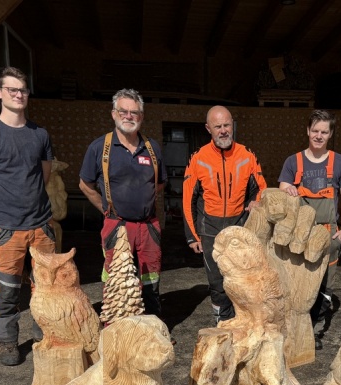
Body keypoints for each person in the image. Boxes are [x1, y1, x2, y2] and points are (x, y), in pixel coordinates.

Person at [0, 66, 55, 366]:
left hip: (41, 226)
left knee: (46, 286)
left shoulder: (40, 135)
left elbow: (43, 176)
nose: (19, 95)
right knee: (7, 290)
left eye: (23, 90)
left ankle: (45, 336)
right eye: (12, 89)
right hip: (6, 229)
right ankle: (7, 343)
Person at [79, 89, 166, 317]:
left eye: (134, 112)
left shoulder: (152, 148)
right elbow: (85, 185)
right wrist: (106, 208)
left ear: (141, 116)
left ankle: (151, 325)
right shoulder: (100, 148)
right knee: (116, 279)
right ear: (114, 114)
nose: (129, 116)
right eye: (123, 111)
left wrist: (141, 201)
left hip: (148, 226)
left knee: (150, 279)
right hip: (116, 225)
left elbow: (159, 184)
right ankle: (115, 328)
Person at [182, 106, 267, 323]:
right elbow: (188, 198)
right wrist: (192, 236)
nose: (223, 130)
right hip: (209, 228)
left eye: (226, 125)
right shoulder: (198, 158)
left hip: (239, 226)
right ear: (208, 128)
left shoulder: (247, 155)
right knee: (217, 281)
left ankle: (243, 321)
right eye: (217, 126)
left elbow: (261, 188)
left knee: (243, 277)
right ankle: (222, 322)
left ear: (232, 125)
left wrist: (255, 201)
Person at [279, 109, 341, 349]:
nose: (319, 136)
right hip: (300, 234)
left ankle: (314, 330)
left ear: (330, 134)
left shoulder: (339, 162)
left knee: (324, 284)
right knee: (297, 281)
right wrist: (288, 189)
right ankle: (293, 328)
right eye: (315, 131)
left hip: (329, 233)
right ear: (307, 131)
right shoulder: (293, 161)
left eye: (324, 132)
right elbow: (282, 189)